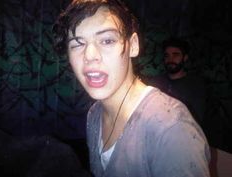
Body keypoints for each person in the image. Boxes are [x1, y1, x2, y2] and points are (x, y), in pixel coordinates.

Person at [52, 0, 210, 177]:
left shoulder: (171, 129)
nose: (89, 56)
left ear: (133, 45)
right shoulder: (94, 114)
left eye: (107, 40)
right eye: (77, 44)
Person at [144, 37, 207, 126]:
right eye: (167, 55)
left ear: (185, 58)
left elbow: (194, 121)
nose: (170, 59)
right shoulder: (155, 82)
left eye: (176, 55)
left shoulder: (195, 86)